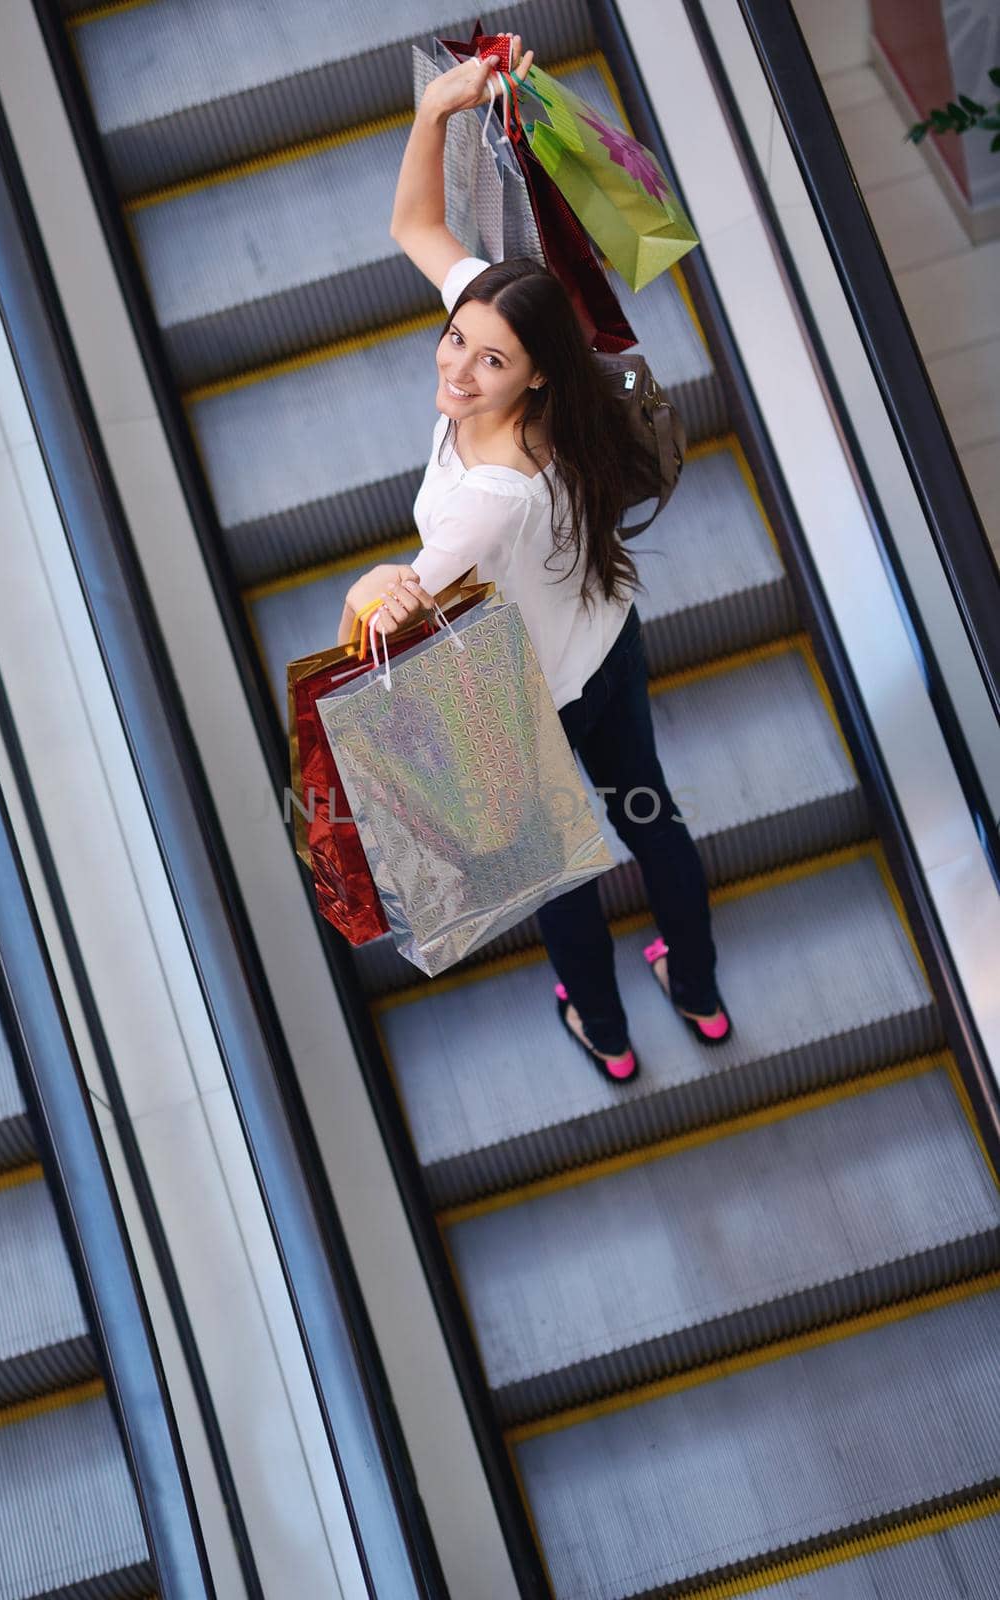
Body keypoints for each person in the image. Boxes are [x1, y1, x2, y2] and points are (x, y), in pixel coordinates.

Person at [337, 37, 732, 1082]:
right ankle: (695, 989)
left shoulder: (484, 500)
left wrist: (366, 585)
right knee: (652, 817)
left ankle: (603, 1032)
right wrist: (440, 114)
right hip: (606, 640)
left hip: (533, 702)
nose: (460, 366)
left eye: (488, 359)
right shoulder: (543, 340)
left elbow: (398, 612)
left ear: (533, 375)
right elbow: (418, 226)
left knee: (557, 877)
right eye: (457, 338)